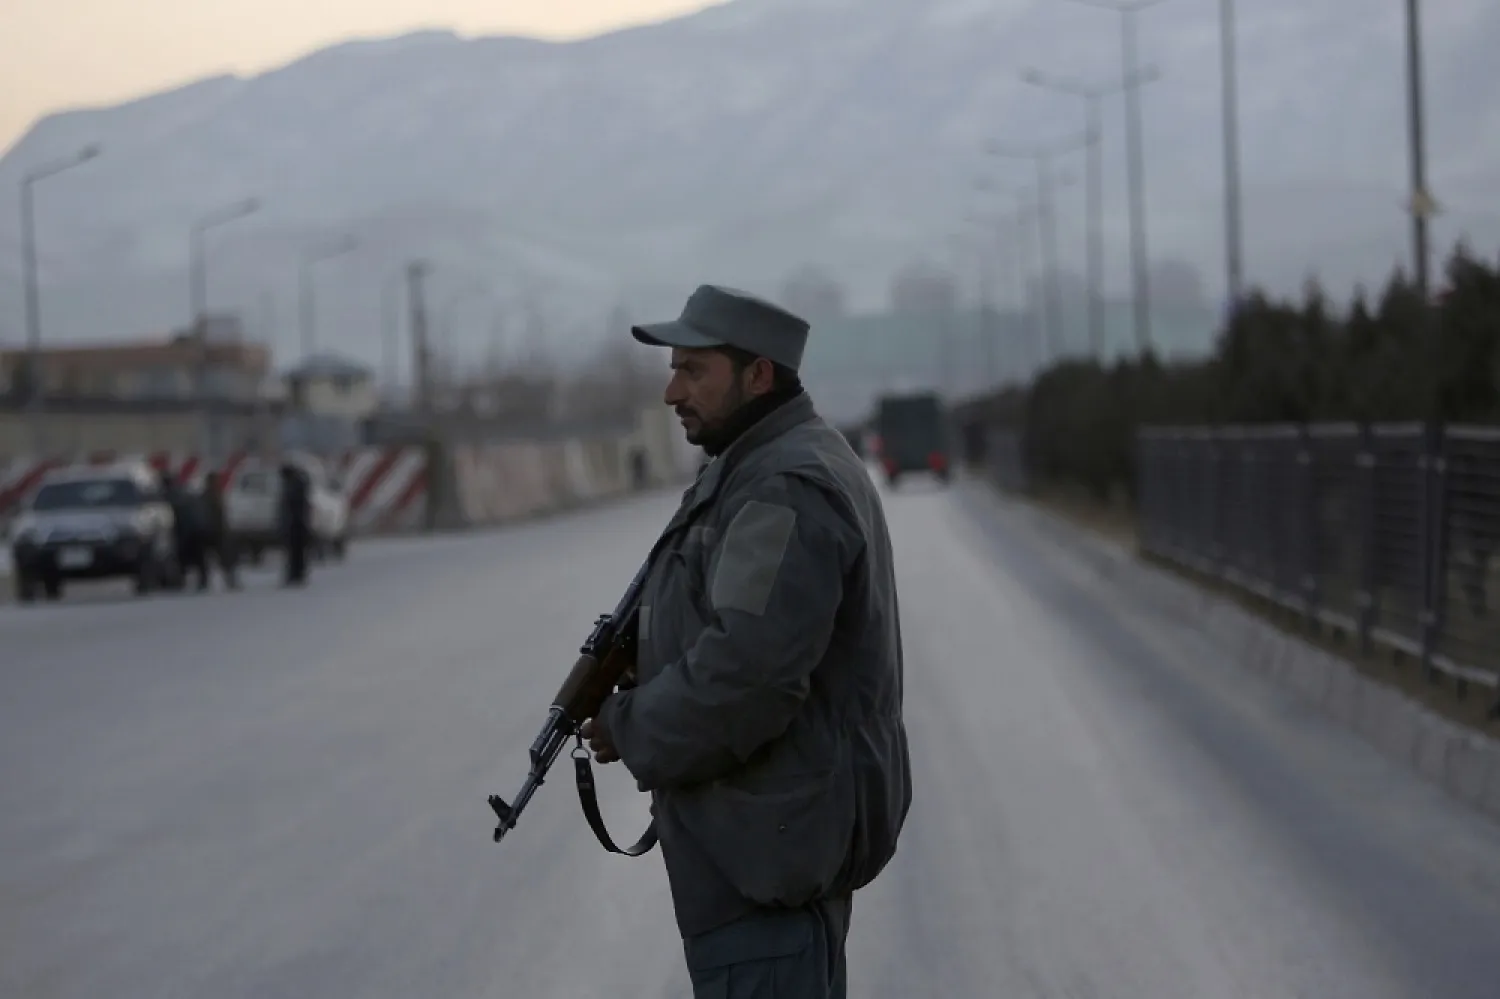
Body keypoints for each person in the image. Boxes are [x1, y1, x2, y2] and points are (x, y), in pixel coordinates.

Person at [579, 284, 912, 999]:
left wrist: (628, 724)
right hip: (764, 851)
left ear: (758, 375)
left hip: (765, 866)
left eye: (694, 369)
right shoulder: (755, 465)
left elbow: (747, 675)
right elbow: (730, 621)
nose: (672, 391)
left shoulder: (781, 485)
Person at [160, 469, 207, 590]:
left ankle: (182, 580)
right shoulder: (183, 492)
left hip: (185, 529)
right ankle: (200, 580)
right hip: (196, 528)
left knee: (184, 557)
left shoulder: (168, 496)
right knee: (197, 557)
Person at [199, 470, 240, 590]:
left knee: (224, 559)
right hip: (212, 531)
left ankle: (229, 580)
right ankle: (206, 581)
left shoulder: (215, 495)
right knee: (213, 559)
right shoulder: (209, 496)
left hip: (216, 531)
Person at [279, 462, 312, 587]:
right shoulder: (296, 483)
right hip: (297, 524)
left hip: (296, 524)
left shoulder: (294, 485)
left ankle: (296, 574)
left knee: (295, 552)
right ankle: (297, 574)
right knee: (296, 552)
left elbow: (292, 507)